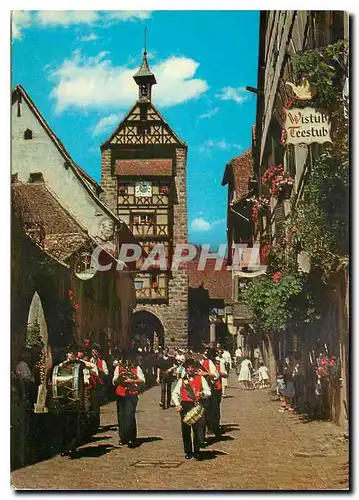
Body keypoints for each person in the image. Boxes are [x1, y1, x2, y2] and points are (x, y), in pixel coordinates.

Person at [171, 358, 211, 460]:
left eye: (192, 367)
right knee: (186, 430)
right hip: (185, 406)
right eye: (188, 367)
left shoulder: (201, 378)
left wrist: (202, 394)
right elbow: (175, 393)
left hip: (196, 405)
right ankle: (188, 451)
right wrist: (177, 404)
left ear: (195, 368)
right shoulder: (182, 380)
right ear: (185, 369)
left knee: (197, 430)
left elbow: (208, 392)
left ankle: (197, 450)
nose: (190, 369)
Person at [113, 353, 145, 448]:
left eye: (129, 360)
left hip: (132, 394)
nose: (127, 362)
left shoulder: (137, 368)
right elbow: (114, 381)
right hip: (121, 393)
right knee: (121, 416)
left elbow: (142, 380)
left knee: (130, 416)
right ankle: (123, 438)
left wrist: (132, 381)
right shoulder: (118, 368)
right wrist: (119, 378)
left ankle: (131, 438)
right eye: (125, 360)